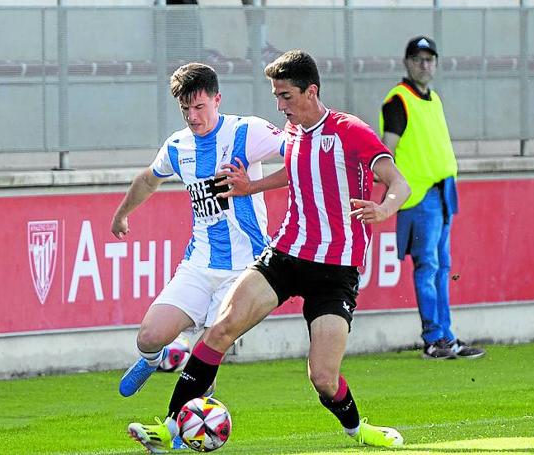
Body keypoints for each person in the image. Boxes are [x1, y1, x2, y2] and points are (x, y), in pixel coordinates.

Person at [127, 49, 411, 453]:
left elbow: (399, 182)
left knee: (323, 379)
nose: (280, 105)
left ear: (311, 91)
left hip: (335, 269)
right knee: (221, 329)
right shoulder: (292, 132)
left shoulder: (351, 130)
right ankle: (171, 428)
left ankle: (357, 429)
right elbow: (295, 170)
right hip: (286, 254)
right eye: (276, 96)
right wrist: (250, 187)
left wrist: (385, 206)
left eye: (286, 96)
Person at [112, 62, 285, 401]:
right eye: (185, 108)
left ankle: (183, 427)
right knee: (148, 336)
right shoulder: (178, 146)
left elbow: (297, 154)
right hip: (199, 263)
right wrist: (122, 215)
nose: (192, 116)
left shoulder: (245, 132)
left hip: (243, 269)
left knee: (205, 353)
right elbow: (149, 179)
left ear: (217, 99)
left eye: (199, 107)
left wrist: (254, 185)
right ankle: (153, 360)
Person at [379, 36, 486, 361]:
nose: (425, 65)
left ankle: (447, 336)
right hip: (419, 196)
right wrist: (392, 190)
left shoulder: (432, 98)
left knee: (442, 268)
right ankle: (434, 338)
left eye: (429, 59)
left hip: (442, 192)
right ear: (407, 62)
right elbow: (387, 149)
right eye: (418, 59)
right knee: (428, 266)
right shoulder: (398, 100)